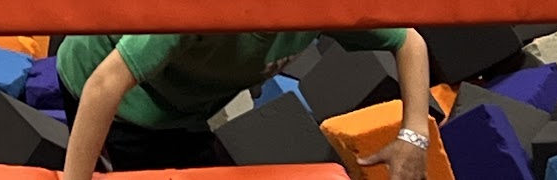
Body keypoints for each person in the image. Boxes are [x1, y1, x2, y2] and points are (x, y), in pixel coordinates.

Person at [58, 30, 432, 178]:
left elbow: (408, 42)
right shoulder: (200, 2)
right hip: (120, 96)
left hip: (187, 109)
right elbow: (103, 86)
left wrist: (414, 135)